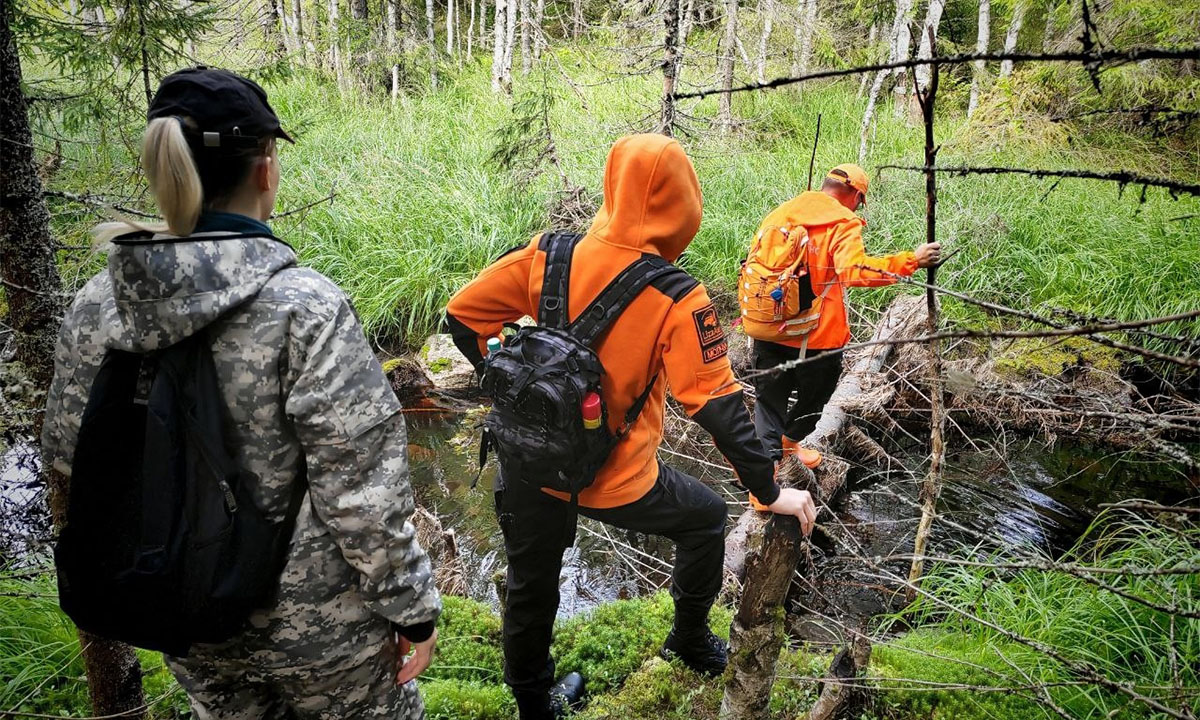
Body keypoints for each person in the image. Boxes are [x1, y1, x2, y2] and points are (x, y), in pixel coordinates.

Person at [41, 67, 440, 719]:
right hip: (321, 629)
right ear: (266, 168)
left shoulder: (97, 305)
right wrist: (411, 609)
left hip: (186, 611)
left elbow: (69, 457)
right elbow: (363, 490)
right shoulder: (304, 307)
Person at [445, 133, 817, 720]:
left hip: (528, 465)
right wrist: (770, 493)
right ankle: (689, 640)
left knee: (529, 585)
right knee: (705, 519)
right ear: (685, 206)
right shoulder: (678, 297)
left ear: (609, 188)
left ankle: (534, 705)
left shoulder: (547, 254)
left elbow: (461, 316)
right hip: (617, 479)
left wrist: (503, 379)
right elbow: (717, 406)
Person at [748, 163, 940, 473]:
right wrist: (912, 261)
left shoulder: (782, 212)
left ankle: (774, 459)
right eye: (860, 201)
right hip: (816, 336)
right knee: (815, 402)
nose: (857, 207)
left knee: (768, 404)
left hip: (767, 324)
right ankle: (771, 471)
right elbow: (854, 272)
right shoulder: (842, 222)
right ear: (853, 194)